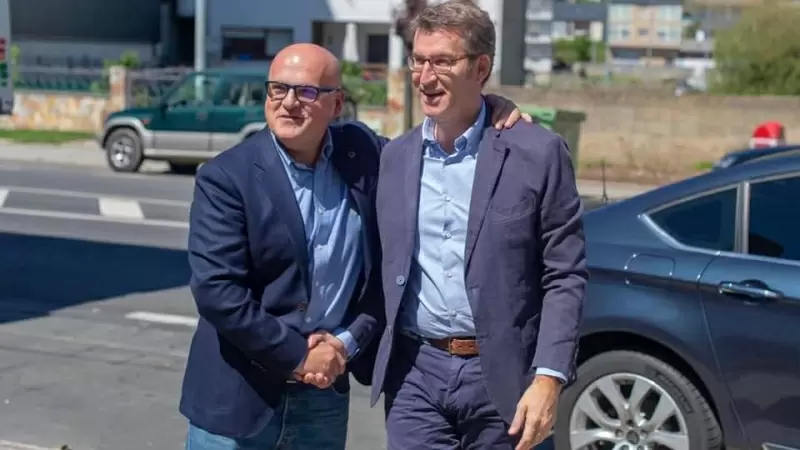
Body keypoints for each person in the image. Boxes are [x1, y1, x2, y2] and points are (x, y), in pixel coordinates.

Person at [179, 42, 531, 450]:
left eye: (307, 91)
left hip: (323, 395)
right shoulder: (226, 177)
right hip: (239, 398)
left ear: (337, 104)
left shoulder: (363, 153)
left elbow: (388, 271)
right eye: (278, 89)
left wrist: (490, 109)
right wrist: (298, 355)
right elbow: (217, 292)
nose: (289, 102)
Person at [370, 2, 589, 450]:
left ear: (481, 67)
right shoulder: (393, 158)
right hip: (416, 374)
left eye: (443, 62)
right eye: (419, 60)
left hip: (505, 378)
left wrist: (549, 377)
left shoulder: (537, 153)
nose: (425, 77)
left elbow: (564, 274)